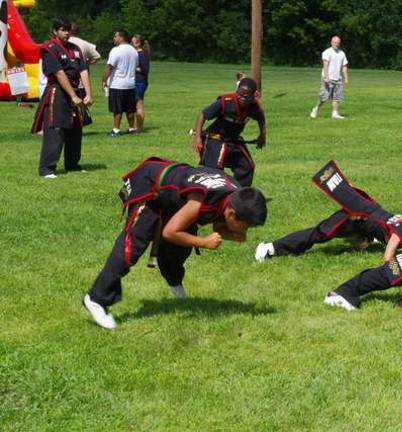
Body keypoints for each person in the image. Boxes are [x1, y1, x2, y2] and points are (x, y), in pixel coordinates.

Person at [83, 157, 268, 329]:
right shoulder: (202, 199)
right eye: (246, 226)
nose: (245, 231)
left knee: (180, 248)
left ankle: (173, 280)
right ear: (232, 214)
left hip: (176, 200)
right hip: (152, 188)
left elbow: (218, 227)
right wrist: (203, 242)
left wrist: (230, 234)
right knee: (132, 247)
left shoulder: (234, 195)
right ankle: (96, 298)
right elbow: (170, 232)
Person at [255, 160, 402, 262]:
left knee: (365, 237)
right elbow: (387, 259)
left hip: (370, 213)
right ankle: (270, 248)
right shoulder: (401, 234)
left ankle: (364, 238)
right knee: (320, 234)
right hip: (358, 215)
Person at [31, 17, 93, 178]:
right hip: (57, 92)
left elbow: (83, 71)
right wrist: (72, 95)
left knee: (76, 129)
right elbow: (59, 73)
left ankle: (72, 164)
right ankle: (47, 168)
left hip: (76, 91)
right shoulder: (50, 48)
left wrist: (88, 94)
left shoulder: (76, 48)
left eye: (68, 30)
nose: (66, 33)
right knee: (56, 129)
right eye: (63, 30)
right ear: (55, 31)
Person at [191, 77, 266, 187]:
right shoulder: (225, 102)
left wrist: (262, 136)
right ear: (237, 91)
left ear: (253, 95)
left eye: (247, 96)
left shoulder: (253, 107)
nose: (243, 99)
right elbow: (203, 114)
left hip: (233, 141)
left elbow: (261, 118)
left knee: (247, 167)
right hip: (215, 140)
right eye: (240, 94)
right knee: (215, 173)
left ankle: (238, 194)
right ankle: (212, 196)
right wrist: (197, 138)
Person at [102, 30, 138, 136]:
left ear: (121, 37)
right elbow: (135, 66)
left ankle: (116, 130)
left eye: (115, 36)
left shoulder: (116, 50)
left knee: (117, 109)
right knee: (130, 108)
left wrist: (104, 80)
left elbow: (109, 67)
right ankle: (131, 128)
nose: (114, 38)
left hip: (117, 84)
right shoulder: (134, 51)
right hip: (130, 84)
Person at [310, 35, 348, 119]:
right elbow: (325, 65)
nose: (336, 44)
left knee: (336, 97)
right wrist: (326, 77)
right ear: (331, 42)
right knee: (324, 97)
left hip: (337, 78)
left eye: (338, 43)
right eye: (335, 42)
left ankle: (334, 113)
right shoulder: (327, 52)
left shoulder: (342, 53)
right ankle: (316, 109)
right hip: (327, 78)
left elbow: (344, 65)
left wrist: (345, 77)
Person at [131, 34, 150, 133]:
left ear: (138, 43)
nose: (131, 43)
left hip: (140, 81)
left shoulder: (142, 54)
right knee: (134, 105)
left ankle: (139, 128)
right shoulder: (135, 53)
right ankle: (135, 126)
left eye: (133, 41)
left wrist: (133, 68)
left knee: (139, 104)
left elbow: (145, 70)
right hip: (135, 81)